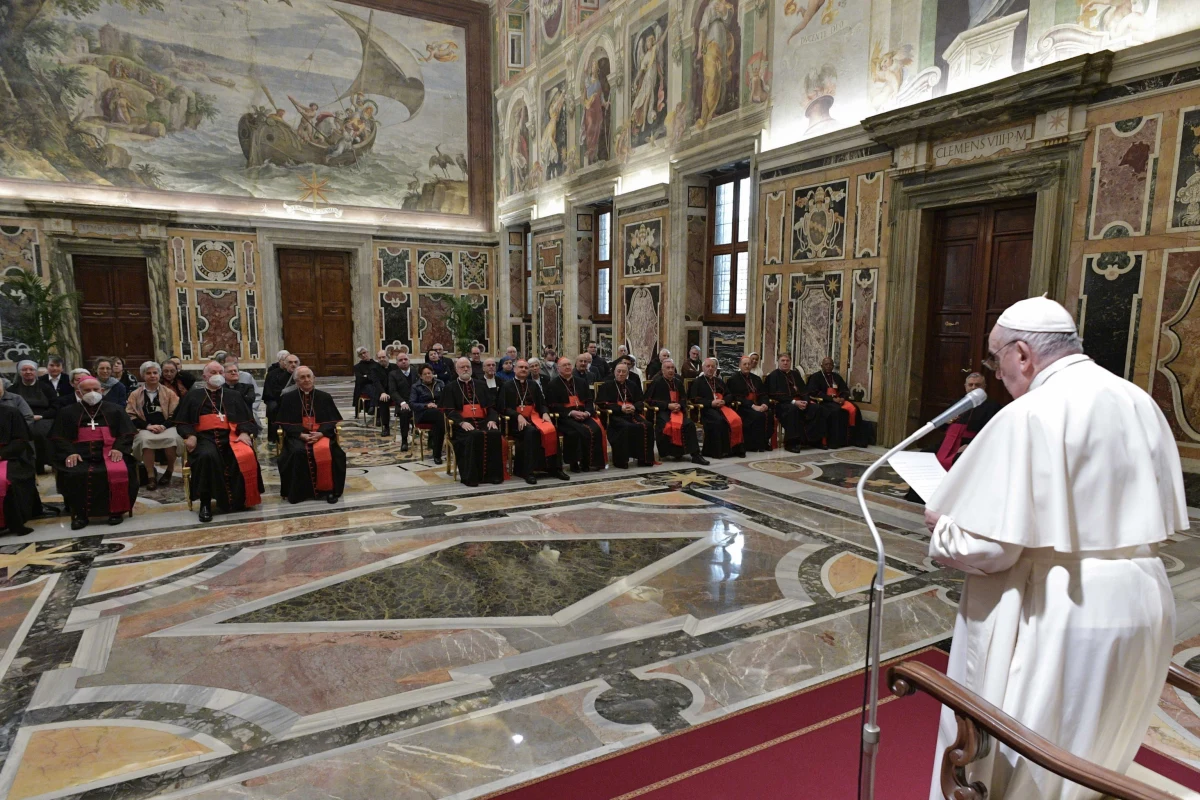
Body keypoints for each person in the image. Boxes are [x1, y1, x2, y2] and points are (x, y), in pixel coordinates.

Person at [924, 296, 1188, 800]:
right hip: (1144, 598)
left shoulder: (1030, 414)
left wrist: (942, 527)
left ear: (1023, 353)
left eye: (996, 357)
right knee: (1099, 752)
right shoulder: (1136, 399)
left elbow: (990, 548)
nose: (997, 373)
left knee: (1035, 765)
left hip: (1062, 610)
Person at [175, 361, 263, 522]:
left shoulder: (234, 395)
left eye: (220, 372)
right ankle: (205, 503)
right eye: (212, 372)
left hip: (231, 436)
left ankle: (239, 500)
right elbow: (182, 422)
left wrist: (244, 432)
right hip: (204, 438)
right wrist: (190, 435)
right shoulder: (193, 396)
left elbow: (247, 419)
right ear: (204, 376)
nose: (217, 375)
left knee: (244, 455)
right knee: (207, 457)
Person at [51, 376, 138, 530]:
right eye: (87, 390)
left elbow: (127, 433)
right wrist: (69, 452)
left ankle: (116, 511)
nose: (92, 393)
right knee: (74, 473)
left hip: (110, 452)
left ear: (102, 390)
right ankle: (80, 514)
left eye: (95, 389)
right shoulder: (67, 412)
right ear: (78, 392)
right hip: (79, 454)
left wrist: (118, 448)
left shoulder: (115, 409)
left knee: (120, 470)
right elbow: (58, 437)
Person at [276, 366, 346, 505]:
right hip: (298, 436)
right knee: (297, 452)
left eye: (309, 376)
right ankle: (299, 492)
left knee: (333, 452)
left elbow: (332, 421)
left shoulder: (324, 397)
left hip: (321, 434)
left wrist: (321, 433)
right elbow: (284, 423)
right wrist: (300, 435)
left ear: (314, 379)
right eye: (302, 377)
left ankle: (329, 490)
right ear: (296, 381)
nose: (306, 380)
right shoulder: (288, 398)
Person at [501, 359, 569, 484]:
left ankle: (555, 468)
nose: (523, 370)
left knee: (551, 429)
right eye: (521, 367)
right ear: (515, 369)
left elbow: (542, 403)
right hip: (516, 423)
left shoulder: (533, 385)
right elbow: (503, 408)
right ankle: (528, 471)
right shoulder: (507, 386)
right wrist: (517, 415)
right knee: (531, 432)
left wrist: (544, 413)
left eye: (526, 368)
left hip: (534, 418)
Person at [443, 357, 504, 486]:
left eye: (468, 367)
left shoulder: (481, 384)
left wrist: (492, 420)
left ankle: (493, 476)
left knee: (494, 433)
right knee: (473, 435)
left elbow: (491, 407)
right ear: (456, 369)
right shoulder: (450, 387)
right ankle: (471, 477)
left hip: (483, 421)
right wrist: (461, 422)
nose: (465, 369)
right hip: (462, 425)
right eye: (462, 367)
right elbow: (449, 410)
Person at [125, 361, 182, 490]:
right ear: (143, 376)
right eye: (148, 373)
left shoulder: (169, 393)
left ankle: (169, 470)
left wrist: (164, 426)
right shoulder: (135, 394)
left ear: (159, 375)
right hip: (146, 427)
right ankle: (151, 476)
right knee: (145, 440)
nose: (152, 376)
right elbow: (130, 415)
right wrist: (148, 426)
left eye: (155, 373)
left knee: (172, 439)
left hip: (166, 426)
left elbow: (176, 413)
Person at [545, 357, 607, 472]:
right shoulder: (553, 384)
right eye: (564, 365)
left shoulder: (581, 382)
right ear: (558, 369)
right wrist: (571, 412)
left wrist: (587, 412)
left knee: (596, 429)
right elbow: (552, 405)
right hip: (565, 417)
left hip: (583, 414)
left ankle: (589, 463)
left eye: (569, 364)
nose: (568, 367)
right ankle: (574, 463)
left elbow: (589, 399)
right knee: (575, 432)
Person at [645, 359, 708, 465]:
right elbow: (648, 400)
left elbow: (684, 398)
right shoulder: (657, 382)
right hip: (663, 412)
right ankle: (672, 452)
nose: (670, 370)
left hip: (678, 412)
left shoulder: (678, 382)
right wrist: (667, 405)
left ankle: (695, 455)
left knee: (689, 424)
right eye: (668, 368)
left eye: (672, 368)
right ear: (662, 370)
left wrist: (680, 405)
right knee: (668, 425)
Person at [597, 361, 655, 469]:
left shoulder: (632, 385)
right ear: (614, 372)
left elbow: (640, 400)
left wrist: (634, 407)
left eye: (624, 372)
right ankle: (621, 461)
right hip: (615, 416)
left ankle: (644, 459)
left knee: (647, 425)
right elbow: (601, 403)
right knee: (626, 427)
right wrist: (620, 408)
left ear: (627, 373)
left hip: (632, 414)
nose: (621, 374)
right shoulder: (607, 385)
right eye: (618, 371)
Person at [766, 353, 828, 452]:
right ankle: (791, 443)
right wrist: (794, 402)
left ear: (790, 362)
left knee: (817, 408)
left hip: (800, 402)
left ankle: (814, 441)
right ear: (778, 362)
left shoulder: (795, 374)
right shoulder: (773, 376)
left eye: (787, 360)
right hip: (782, 405)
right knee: (793, 410)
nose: (785, 363)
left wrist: (806, 402)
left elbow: (804, 390)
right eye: (783, 360)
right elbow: (774, 395)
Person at [688, 357, 746, 458]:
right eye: (708, 366)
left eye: (712, 367)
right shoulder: (697, 382)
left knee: (736, 419)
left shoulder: (719, 381)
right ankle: (716, 451)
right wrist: (711, 403)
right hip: (705, 410)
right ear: (703, 368)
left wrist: (724, 401)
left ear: (715, 369)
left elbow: (729, 394)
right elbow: (694, 399)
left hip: (721, 408)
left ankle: (734, 450)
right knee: (719, 420)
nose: (710, 368)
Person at [806, 356, 864, 447]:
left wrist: (842, 398)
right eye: (826, 364)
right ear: (822, 366)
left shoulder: (836, 377)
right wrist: (831, 399)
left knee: (855, 408)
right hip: (824, 402)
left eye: (830, 364)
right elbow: (814, 392)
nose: (828, 366)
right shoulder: (816, 377)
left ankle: (853, 440)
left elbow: (844, 390)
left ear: (833, 366)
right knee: (836, 411)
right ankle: (834, 442)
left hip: (838, 400)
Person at [0, 398, 38, 535]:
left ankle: (13, 523)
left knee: (5, 481)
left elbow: (20, 440)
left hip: (9, 457)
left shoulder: (11, 412)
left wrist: (2, 454)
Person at [11, 360, 56, 472]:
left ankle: (43, 463)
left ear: (35, 372)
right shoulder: (13, 389)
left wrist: (41, 416)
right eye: (24, 370)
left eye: (31, 369)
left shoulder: (46, 388)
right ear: (19, 372)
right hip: (21, 419)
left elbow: (55, 406)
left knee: (39, 432)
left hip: (43, 418)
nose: (28, 372)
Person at [727, 355, 772, 452]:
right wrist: (753, 406)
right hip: (743, 407)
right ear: (740, 365)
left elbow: (763, 394)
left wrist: (764, 404)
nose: (747, 366)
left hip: (758, 405)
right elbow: (736, 397)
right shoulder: (733, 379)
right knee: (757, 416)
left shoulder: (756, 379)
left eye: (749, 364)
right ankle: (753, 444)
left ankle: (764, 442)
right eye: (744, 364)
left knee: (769, 414)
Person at [410, 364, 445, 465]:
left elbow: (445, 397)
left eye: (429, 373)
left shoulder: (440, 383)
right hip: (423, 414)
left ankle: (437, 452)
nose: (428, 375)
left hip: (438, 413)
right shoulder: (416, 387)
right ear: (420, 376)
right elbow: (412, 404)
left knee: (438, 422)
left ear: (433, 374)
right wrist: (426, 405)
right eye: (425, 374)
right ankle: (437, 454)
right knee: (440, 417)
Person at [263, 353, 299, 444]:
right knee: (273, 408)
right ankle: (275, 437)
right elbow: (273, 392)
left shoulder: (301, 373)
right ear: (285, 364)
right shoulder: (273, 375)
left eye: (295, 362)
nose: (293, 364)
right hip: (277, 400)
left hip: (298, 400)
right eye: (290, 362)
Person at [387, 352, 415, 451]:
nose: (403, 361)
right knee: (404, 412)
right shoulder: (393, 374)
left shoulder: (416, 371)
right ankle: (404, 441)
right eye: (400, 360)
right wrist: (402, 402)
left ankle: (431, 439)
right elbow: (393, 391)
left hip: (416, 402)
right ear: (397, 363)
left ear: (409, 360)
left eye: (405, 359)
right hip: (402, 403)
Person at [368, 349, 395, 436]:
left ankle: (412, 425)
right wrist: (383, 392)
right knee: (384, 401)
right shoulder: (374, 369)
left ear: (388, 357)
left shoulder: (395, 367)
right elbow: (376, 383)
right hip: (383, 392)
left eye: (383, 357)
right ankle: (386, 427)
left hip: (395, 392)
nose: (381, 359)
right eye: (379, 358)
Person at [352, 346, 375, 417]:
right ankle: (373, 406)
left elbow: (378, 377)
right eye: (360, 354)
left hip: (376, 385)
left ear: (368, 352)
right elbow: (360, 379)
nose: (363, 355)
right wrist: (370, 377)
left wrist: (366, 376)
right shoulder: (357, 367)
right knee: (370, 387)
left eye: (364, 353)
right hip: (363, 387)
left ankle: (373, 407)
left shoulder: (376, 365)